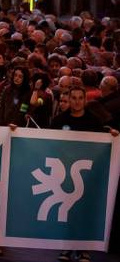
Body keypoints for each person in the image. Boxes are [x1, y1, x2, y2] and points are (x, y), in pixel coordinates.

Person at [51, 86, 119, 262]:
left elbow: (102, 145)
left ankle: (83, 250)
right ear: (69, 99)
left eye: (80, 98)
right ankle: (66, 248)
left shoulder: (94, 122)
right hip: (64, 172)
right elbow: (47, 142)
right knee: (67, 212)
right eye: (73, 98)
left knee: (84, 212)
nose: (76, 101)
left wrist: (113, 136)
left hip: (87, 175)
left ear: (85, 100)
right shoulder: (58, 121)